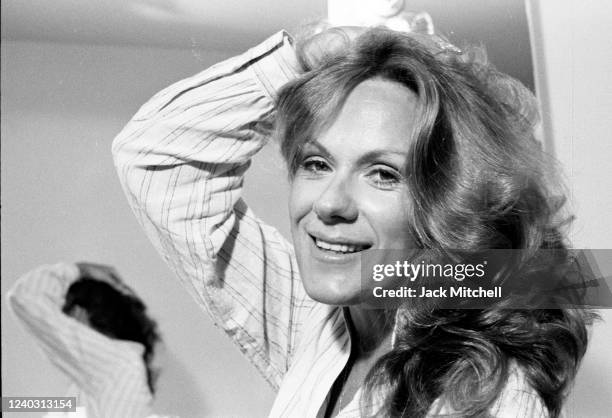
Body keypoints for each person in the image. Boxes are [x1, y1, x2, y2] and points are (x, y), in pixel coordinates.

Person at [112, 26, 592, 417]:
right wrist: (298, 57)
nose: (330, 204)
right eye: (316, 164)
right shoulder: (315, 323)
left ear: (447, 202)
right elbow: (156, 160)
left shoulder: (482, 390)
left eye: (383, 174)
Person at [7, 262, 160, 418]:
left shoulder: (119, 365)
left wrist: (82, 270)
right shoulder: (101, 381)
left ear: (77, 313)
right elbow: (25, 404)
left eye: (64, 314)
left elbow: (27, 295)